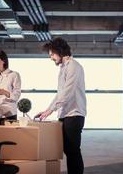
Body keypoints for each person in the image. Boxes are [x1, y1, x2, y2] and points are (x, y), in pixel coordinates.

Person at [35, 37, 86, 174]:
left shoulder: (74, 66)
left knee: (73, 150)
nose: (50, 58)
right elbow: (60, 94)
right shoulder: (63, 68)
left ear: (60, 51)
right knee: (68, 149)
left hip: (74, 114)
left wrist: (51, 110)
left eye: (52, 54)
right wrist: (47, 110)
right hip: (65, 114)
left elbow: (67, 93)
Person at [0, 50, 21, 157]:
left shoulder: (14, 75)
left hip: (8, 115)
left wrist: (6, 92)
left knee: (7, 145)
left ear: (4, 61)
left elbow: (17, 95)